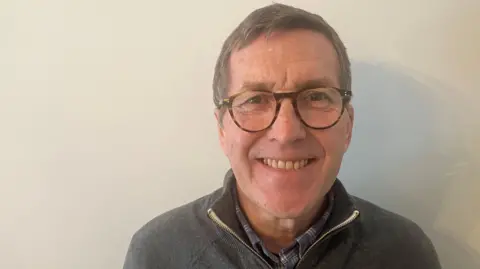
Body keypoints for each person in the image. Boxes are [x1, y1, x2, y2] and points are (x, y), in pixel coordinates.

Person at [123, 3, 442, 269]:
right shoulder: (159, 253)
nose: (287, 132)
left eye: (316, 97)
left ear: (348, 125)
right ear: (222, 129)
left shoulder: (405, 252)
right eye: (255, 100)